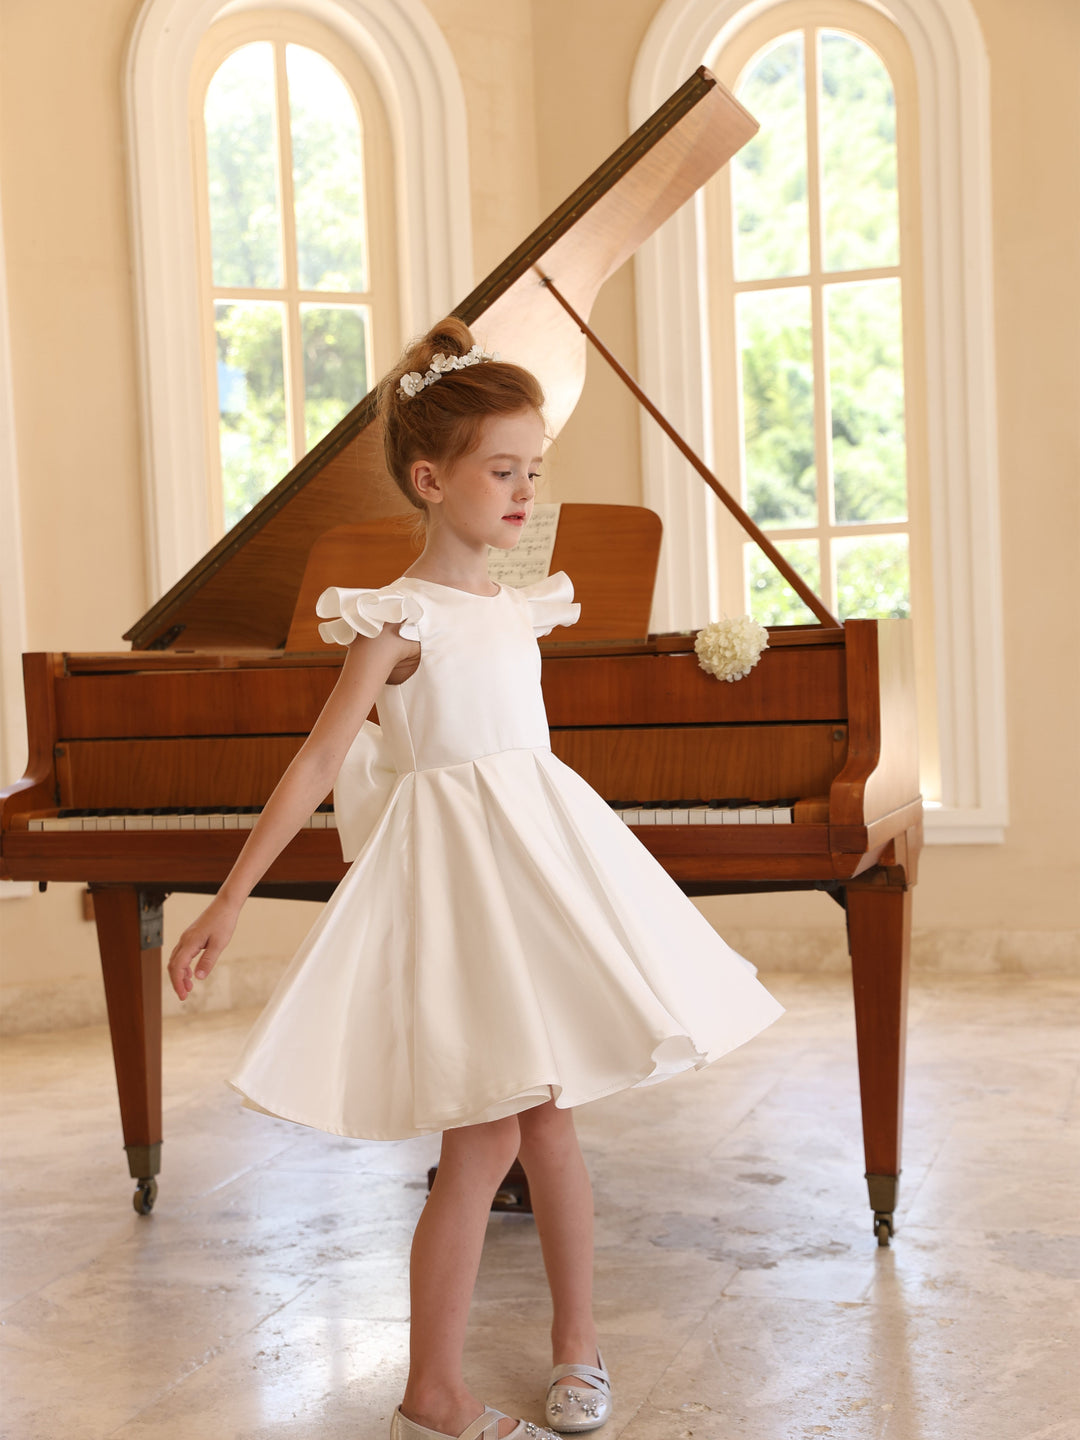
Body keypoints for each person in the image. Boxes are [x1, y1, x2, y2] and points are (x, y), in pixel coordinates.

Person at [167, 318, 784, 1440]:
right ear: (429, 478)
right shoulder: (397, 619)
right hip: (459, 897)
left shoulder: (520, 607)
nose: (523, 491)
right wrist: (229, 899)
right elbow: (316, 761)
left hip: (538, 880)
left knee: (547, 1122)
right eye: (503, 471)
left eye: (534, 471)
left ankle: (575, 1349)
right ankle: (433, 1391)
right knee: (486, 1133)